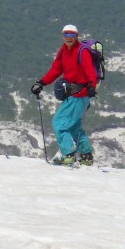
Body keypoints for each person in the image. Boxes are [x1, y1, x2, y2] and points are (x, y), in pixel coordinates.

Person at [30, 24, 97, 166]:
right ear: (62, 36)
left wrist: (92, 86)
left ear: (77, 36)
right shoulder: (63, 51)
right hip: (72, 94)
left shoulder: (82, 51)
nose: (69, 37)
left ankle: (69, 154)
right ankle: (86, 156)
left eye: (72, 35)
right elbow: (55, 70)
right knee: (74, 127)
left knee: (59, 123)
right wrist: (41, 83)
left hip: (79, 95)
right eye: (66, 34)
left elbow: (90, 71)